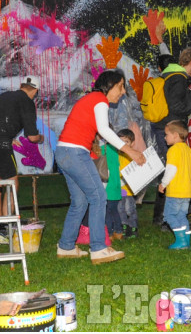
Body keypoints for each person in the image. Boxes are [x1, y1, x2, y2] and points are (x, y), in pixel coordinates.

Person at [56, 70, 145, 264]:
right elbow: (104, 130)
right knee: (98, 197)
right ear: (110, 85)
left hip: (64, 153)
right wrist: (130, 151)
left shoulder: (90, 99)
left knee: (79, 202)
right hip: (75, 152)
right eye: (121, 87)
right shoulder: (99, 99)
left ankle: (66, 246)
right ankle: (98, 248)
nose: (122, 92)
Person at [0, 76, 44, 243]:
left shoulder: (4, 96)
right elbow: (32, 137)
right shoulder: (27, 102)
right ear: (35, 91)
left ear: (21, 86)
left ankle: (0, 230)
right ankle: (7, 228)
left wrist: (9, 136)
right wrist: (40, 138)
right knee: (12, 184)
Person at [150, 46, 191, 228]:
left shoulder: (170, 75)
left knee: (169, 170)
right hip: (170, 130)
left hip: (165, 128)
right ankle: (166, 219)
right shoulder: (178, 78)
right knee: (173, 171)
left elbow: (180, 100)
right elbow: (177, 106)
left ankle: (163, 217)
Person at [158, 120, 191, 250]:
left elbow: (171, 169)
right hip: (187, 191)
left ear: (175, 135)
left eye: (166, 134)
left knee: (170, 215)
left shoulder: (173, 150)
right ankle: (187, 240)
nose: (165, 137)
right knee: (181, 215)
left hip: (175, 191)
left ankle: (181, 241)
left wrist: (163, 184)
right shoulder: (188, 150)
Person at [117, 129, 139, 238]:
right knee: (120, 209)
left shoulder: (133, 156)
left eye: (126, 142)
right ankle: (124, 227)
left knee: (129, 209)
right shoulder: (116, 155)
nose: (123, 145)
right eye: (120, 142)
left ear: (132, 143)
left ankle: (133, 227)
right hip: (119, 189)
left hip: (129, 189)